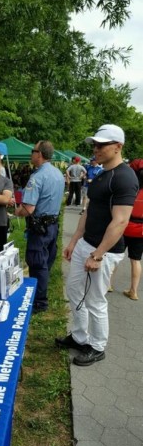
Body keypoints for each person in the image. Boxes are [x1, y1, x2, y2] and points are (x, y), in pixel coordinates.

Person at [56, 124, 138, 366]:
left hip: (104, 251)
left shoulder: (124, 177)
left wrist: (98, 255)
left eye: (101, 144)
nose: (96, 148)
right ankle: (80, 338)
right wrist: (74, 241)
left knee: (95, 300)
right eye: (94, 144)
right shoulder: (101, 173)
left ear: (118, 146)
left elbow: (120, 220)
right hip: (86, 244)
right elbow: (88, 211)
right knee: (73, 290)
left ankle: (97, 346)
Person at [15, 140, 65, 313]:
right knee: (46, 261)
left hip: (40, 227)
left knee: (37, 263)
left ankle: (39, 302)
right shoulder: (58, 173)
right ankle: (41, 294)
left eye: (33, 151)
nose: (31, 154)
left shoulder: (37, 177)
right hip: (53, 225)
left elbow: (28, 209)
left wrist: (16, 211)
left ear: (40, 154)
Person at [122, 158, 143, 301]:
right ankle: (133, 291)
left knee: (114, 257)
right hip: (140, 230)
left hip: (123, 227)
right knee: (136, 260)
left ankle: (108, 285)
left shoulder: (129, 188)